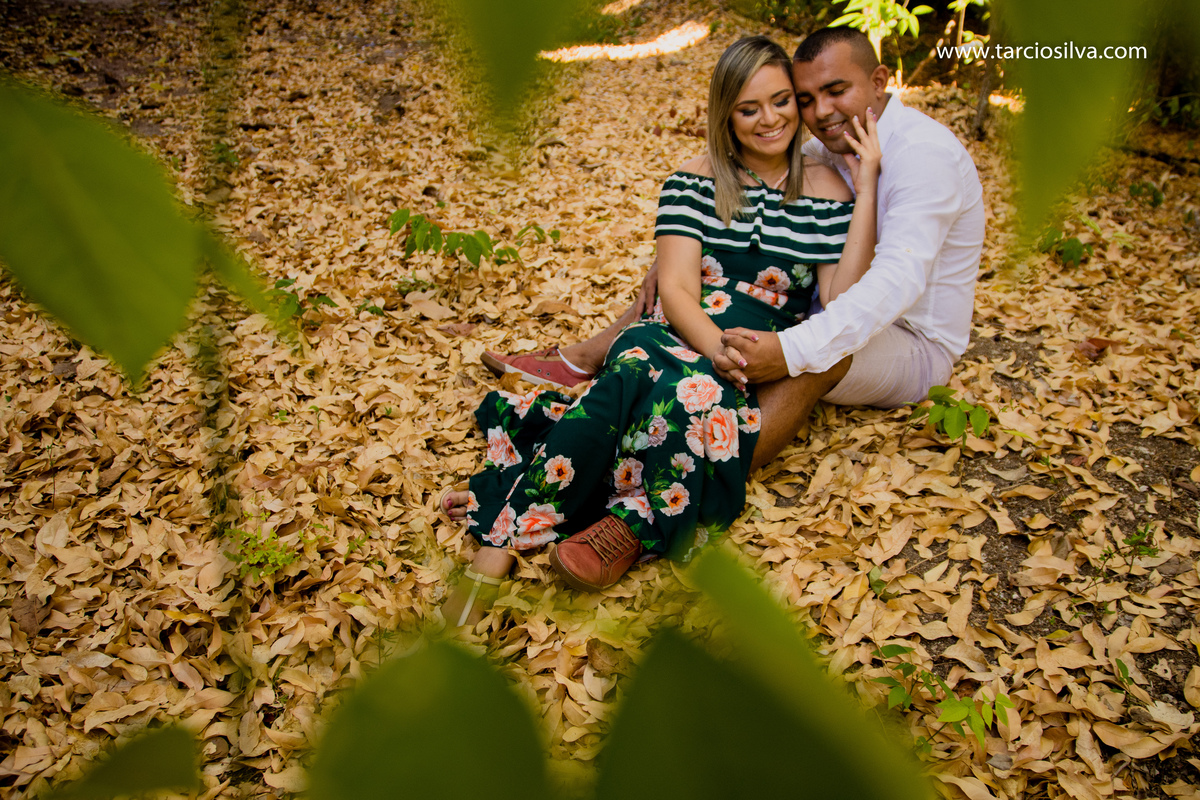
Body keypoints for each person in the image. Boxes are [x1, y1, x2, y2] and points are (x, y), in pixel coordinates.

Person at [440, 35, 883, 629]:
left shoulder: (830, 192)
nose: (770, 119)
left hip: (758, 352)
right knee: (639, 358)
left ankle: (548, 518)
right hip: (687, 333)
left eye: (781, 101)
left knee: (681, 394)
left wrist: (869, 182)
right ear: (725, 113)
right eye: (749, 108)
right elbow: (675, 289)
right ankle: (512, 535)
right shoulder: (694, 181)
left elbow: (839, 301)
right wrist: (714, 348)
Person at [486, 26, 985, 473]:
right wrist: (673, 253)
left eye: (836, 91)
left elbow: (893, 282)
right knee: (694, 287)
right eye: (806, 98)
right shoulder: (825, 140)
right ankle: (588, 360)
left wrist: (789, 351)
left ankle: (704, 474)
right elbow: (752, 173)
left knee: (825, 349)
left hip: (907, 339)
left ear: (879, 81)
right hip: (826, 299)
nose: (820, 112)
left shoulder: (923, 157)